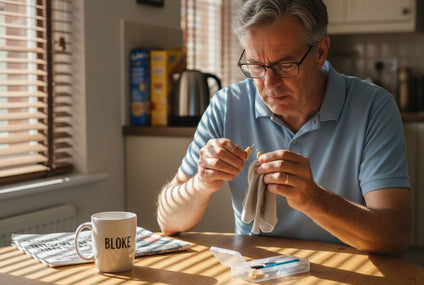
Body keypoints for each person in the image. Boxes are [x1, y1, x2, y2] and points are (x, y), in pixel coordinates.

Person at [157, 0, 410, 256]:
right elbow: (168, 221)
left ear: (320, 52)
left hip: (349, 274)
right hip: (257, 274)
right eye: (256, 65)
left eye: (284, 65)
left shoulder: (373, 107)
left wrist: (315, 200)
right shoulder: (227, 105)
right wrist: (201, 183)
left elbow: (395, 236)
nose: (269, 83)